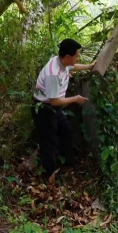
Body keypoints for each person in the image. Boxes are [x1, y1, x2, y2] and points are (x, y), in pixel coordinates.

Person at [31, 38, 95, 178]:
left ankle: (68, 162)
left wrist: (90, 66)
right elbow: (54, 101)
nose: (77, 58)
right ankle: (51, 174)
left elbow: (73, 67)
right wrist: (75, 99)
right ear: (67, 56)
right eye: (76, 56)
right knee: (49, 141)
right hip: (44, 108)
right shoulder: (53, 74)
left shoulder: (61, 61)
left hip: (53, 106)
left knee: (66, 130)